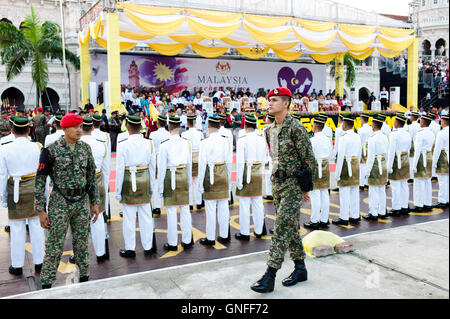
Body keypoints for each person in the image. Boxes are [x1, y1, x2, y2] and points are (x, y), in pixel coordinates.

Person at [251, 87, 315, 294]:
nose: (269, 103)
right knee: (290, 227)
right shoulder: (269, 130)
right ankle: (300, 268)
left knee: (281, 227)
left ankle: (270, 274)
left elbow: (309, 160)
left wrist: (305, 188)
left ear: (286, 103)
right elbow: (275, 158)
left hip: (293, 184)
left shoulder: (296, 128)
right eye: (269, 100)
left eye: (275, 100)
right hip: (277, 183)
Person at [35, 113, 100, 289]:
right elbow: (40, 181)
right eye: (75, 127)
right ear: (64, 129)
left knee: (82, 243)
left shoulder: (85, 148)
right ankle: (46, 283)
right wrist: (40, 210)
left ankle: (84, 278)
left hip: (81, 202)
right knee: (54, 245)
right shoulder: (51, 150)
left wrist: (95, 202)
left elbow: (91, 177)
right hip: (59, 203)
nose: (80, 130)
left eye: (81, 127)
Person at [0, 117, 45, 276]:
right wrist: (44, 194)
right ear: (28, 130)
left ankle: (17, 265)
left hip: (15, 190)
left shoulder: (4, 149)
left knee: (17, 228)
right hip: (34, 189)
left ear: (12, 130)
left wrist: (3, 198)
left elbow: (2, 175)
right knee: (36, 227)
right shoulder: (37, 147)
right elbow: (42, 174)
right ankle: (40, 262)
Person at [115, 115, 156, 258]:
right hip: (144, 179)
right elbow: (152, 166)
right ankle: (148, 246)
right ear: (140, 128)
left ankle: (130, 248)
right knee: (146, 215)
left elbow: (120, 169)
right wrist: (152, 187)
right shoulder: (148, 143)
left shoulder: (122, 144)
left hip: (128, 180)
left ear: (127, 127)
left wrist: (118, 191)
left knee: (129, 217)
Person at [158, 116, 194, 251]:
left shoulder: (164, 145)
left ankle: (172, 243)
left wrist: (160, 187)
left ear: (169, 127)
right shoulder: (186, 143)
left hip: (170, 176)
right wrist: (189, 180)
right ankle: (187, 240)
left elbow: (161, 168)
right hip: (183, 174)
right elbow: (189, 164)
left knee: (171, 211)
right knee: (185, 210)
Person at [198, 115, 232, 246]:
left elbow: (201, 165)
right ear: (218, 126)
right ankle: (224, 235)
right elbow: (229, 163)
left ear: (208, 126)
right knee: (224, 207)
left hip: (210, 174)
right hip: (222, 172)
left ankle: (210, 238)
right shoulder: (226, 141)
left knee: (210, 208)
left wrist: (200, 183)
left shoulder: (204, 142)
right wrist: (229, 181)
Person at [79, 117, 109, 262]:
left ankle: (79, 254)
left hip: (80, 184)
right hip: (97, 181)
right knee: (98, 217)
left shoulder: (76, 145)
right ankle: (101, 253)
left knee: (79, 221)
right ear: (92, 128)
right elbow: (106, 169)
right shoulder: (101, 145)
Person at [235, 114, 267, 240]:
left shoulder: (242, 140)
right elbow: (265, 159)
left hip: (246, 172)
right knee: (258, 203)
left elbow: (240, 162)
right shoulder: (261, 139)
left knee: (244, 204)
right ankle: (258, 231)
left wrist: (239, 180)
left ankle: (244, 233)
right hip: (258, 171)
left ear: (245, 125)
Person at [303, 115, 332, 230]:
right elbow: (330, 154)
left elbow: (308, 157)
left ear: (315, 126)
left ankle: (314, 220)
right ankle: (324, 219)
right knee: (324, 193)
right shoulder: (327, 140)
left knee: (315, 195)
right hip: (325, 166)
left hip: (315, 166)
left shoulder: (312, 140)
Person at [333, 114, 362, 226]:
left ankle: (344, 217)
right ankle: (355, 216)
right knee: (355, 192)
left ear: (345, 124)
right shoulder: (357, 136)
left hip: (345, 164)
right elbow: (359, 153)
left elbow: (340, 157)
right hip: (355, 164)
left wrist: (337, 173)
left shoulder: (344, 138)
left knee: (344, 193)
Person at [363, 115, 389, 220]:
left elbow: (370, 157)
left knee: (373, 190)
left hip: (374, 164)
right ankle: (382, 211)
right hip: (383, 163)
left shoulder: (372, 139)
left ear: (374, 126)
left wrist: (367, 171)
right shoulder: (385, 137)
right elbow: (387, 153)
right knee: (382, 189)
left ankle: (373, 213)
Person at [387, 113, 412, 216]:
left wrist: (389, 166)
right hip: (406, 159)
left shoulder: (394, 134)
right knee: (404, 185)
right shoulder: (407, 133)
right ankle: (404, 206)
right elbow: (409, 149)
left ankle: (396, 207)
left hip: (397, 160)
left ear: (397, 123)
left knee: (395, 186)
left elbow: (391, 151)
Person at [410, 113, 436, 212]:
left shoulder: (420, 134)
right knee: (427, 181)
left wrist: (414, 165)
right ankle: (428, 203)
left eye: (420, 121)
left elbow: (417, 150)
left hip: (421, 157)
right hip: (429, 156)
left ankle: (419, 205)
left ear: (423, 122)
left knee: (419, 182)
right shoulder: (431, 133)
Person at [149, 115, 171, 216]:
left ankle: (157, 206)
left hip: (157, 157)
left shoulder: (153, 134)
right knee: (168, 180)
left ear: (157, 123)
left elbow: (151, 148)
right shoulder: (169, 134)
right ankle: (168, 203)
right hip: (167, 158)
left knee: (156, 182)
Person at [181, 114, 204, 210]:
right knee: (197, 181)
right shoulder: (200, 133)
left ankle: (189, 203)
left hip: (187, 158)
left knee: (188, 182)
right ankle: (199, 202)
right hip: (198, 157)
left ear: (187, 123)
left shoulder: (184, 134)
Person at [432, 114, 448, 208]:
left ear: (444, 122)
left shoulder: (442, 133)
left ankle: (442, 201)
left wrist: (434, 162)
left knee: (442, 180)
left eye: (441, 121)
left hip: (443, 156)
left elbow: (437, 149)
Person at [357, 113, 373, 190]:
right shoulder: (371, 128)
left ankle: (361, 183)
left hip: (363, 147)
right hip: (370, 147)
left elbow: (359, 141)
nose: (360, 121)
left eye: (360, 119)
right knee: (369, 164)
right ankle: (367, 182)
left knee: (362, 166)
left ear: (363, 120)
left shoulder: (360, 130)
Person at [263, 113, 274, 201]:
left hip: (269, 154)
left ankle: (269, 193)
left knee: (268, 174)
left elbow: (265, 144)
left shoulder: (266, 129)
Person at [408, 111, 421, 182]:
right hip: (419, 145)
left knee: (411, 160)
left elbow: (410, 137)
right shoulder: (419, 125)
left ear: (413, 117)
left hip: (412, 145)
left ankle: (411, 176)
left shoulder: (410, 127)